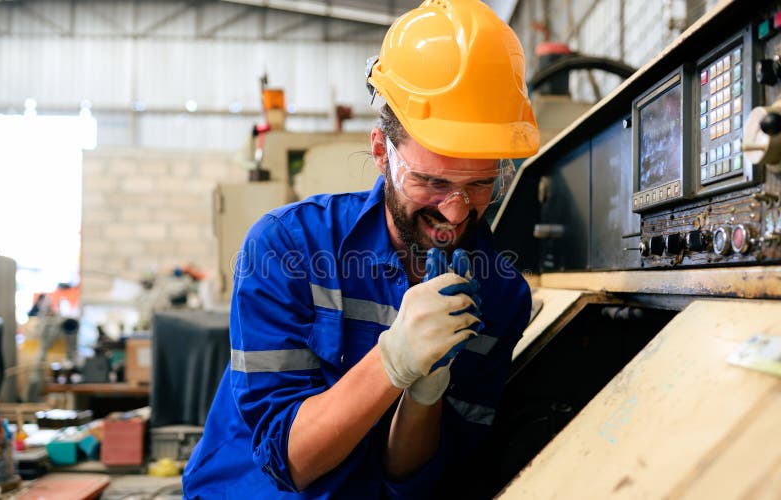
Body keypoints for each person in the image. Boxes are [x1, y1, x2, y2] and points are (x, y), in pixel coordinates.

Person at [182, 0, 539, 497]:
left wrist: (424, 396)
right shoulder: (287, 248)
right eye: (431, 181)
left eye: (480, 184)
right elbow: (290, 464)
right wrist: (391, 361)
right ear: (380, 152)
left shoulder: (499, 296)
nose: (456, 212)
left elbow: (409, 481)